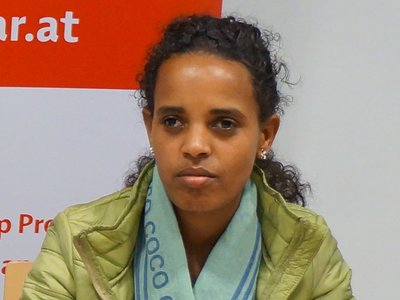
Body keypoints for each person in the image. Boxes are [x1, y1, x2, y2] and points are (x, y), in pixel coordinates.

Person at [22, 15, 354, 299]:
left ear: (264, 135)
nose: (195, 145)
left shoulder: (309, 246)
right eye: (173, 121)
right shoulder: (75, 238)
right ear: (150, 127)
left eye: (224, 124)